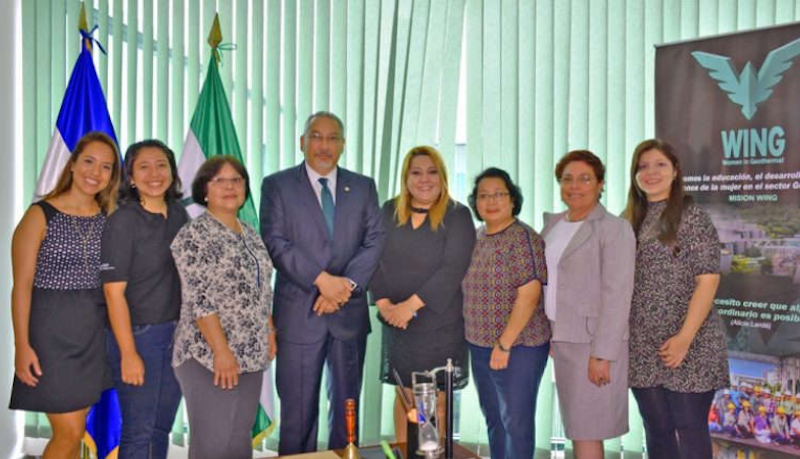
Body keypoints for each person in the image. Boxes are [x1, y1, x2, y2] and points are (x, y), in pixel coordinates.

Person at [260, 111, 385, 454]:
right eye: (316, 136)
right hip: (300, 315)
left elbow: (374, 242)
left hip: (348, 315)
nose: (324, 145)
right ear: (302, 142)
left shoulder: (362, 187)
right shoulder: (277, 185)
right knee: (298, 416)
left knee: (347, 415)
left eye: (333, 138)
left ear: (343, 145)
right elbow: (275, 242)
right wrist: (321, 281)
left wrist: (342, 288)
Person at [9, 132, 121, 458]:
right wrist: (22, 346)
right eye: (88, 161)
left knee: (74, 434)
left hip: (93, 335)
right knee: (69, 432)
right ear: (72, 164)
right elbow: (22, 287)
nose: (95, 172)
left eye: (106, 167)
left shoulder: (109, 220)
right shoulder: (39, 215)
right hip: (50, 336)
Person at [624, 139, 729, 459]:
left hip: (691, 343)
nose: (651, 172)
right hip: (643, 345)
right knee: (656, 430)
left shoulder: (692, 216)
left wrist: (684, 338)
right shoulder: (628, 219)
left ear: (675, 171)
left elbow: (708, 280)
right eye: (643, 166)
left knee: (688, 429)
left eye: (660, 165)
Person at [171, 156, 276, 459]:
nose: (230, 187)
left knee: (237, 444)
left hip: (251, 355)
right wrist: (221, 351)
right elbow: (199, 298)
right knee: (213, 446)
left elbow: (262, 289)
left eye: (237, 180)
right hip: (208, 356)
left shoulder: (250, 233)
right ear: (205, 190)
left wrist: (269, 329)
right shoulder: (194, 236)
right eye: (220, 180)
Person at [369, 146, 475, 442]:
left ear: (442, 177)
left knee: (434, 404)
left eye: (431, 172)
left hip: (439, 326)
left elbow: (453, 268)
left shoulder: (457, 215)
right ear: (406, 178)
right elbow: (373, 258)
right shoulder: (389, 211)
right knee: (405, 400)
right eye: (416, 172)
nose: (424, 179)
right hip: (398, 325)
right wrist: (385, 303)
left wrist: (409, 307)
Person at [541, 150, 635, 459]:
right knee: (578, 427)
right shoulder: (553, 226)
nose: (575, 186)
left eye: (585, 179)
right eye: (567, 179)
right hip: (562, 339)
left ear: (600, 184)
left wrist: (602, 354)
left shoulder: (614, 228)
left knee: (587, 429)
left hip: (592, 344)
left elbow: (617, 294)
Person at [100, 139, 188, 459]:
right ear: (131, 178)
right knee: (139, 430)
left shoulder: (179, 215)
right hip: (139, 337)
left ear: (173, 172)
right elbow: (113, 293)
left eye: (162, 165)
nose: (154, 173)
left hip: (176, 336)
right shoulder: (122, 221)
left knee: (160, 428)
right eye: (144, 166)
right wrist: (128, 353)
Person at [462, 167, 550, 459]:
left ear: (513, 199)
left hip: (518, 347)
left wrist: (505, 343)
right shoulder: (476, 237)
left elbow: (529, 292)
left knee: (516, 423)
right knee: (494, 421)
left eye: (499, 194)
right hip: (479, 344)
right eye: (484, 196)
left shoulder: (523, 239)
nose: (491, 201)